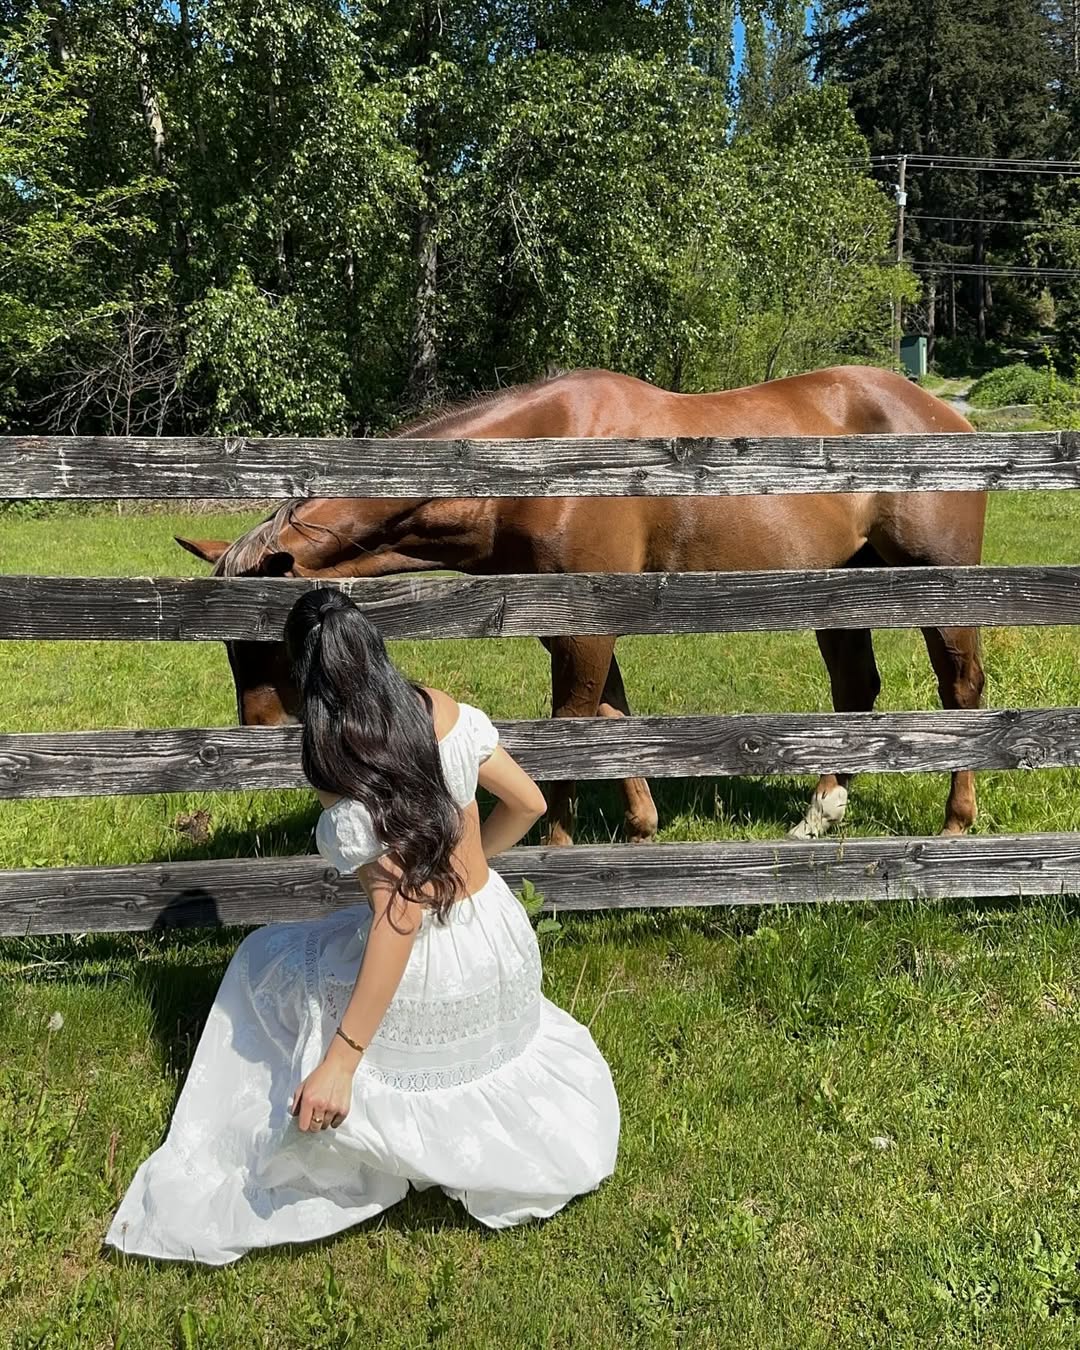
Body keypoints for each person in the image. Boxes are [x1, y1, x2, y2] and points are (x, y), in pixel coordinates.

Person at [106, 589, 620, 1265]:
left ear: (304, 673)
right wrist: (471, 871)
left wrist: (341, 1062)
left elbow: (399, 913)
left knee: (263, 958)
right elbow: (526, 802)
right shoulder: (445, 710)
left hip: (429, 962)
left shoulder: (334, 760)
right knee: (306, 948)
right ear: (373, 648)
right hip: (498, 938)